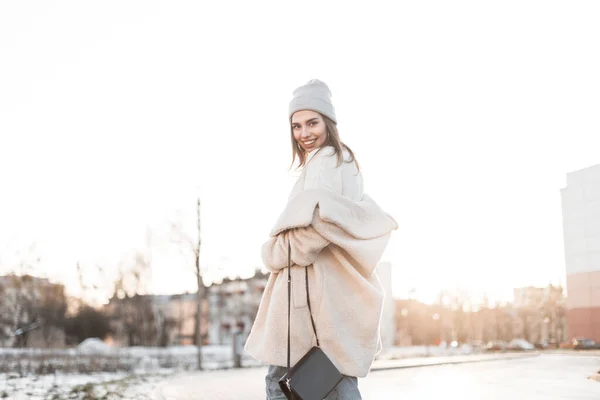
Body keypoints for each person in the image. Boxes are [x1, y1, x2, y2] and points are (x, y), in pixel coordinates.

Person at [244, 79, 397, 399]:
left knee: (285, 381)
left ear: (329, 122)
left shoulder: (325, 161)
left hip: (312, 299)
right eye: (296, 125)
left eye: (312, 122)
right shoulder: (341, 161)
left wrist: (274, 251)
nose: (304, 133)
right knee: (330, 375)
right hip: (331, 296)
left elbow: (317, 226)